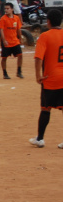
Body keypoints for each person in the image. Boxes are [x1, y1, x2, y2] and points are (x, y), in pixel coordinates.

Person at [29, 9, 63, 148]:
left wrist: (38, 76)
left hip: (51, 79)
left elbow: (38, 58)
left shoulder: (45, 36)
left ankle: (40, 138)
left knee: (45, 108)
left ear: (48, 21)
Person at [0, 2, 23, 79]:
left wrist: (20, 37)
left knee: (20, 55)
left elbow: (18, 29)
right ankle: (5, 73)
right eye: (5, 8)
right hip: (6, 42)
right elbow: (1, 30)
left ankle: (19, 71)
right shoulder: (3, 18)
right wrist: (4, 40)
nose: (6, 10)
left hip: (15, 41)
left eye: (8, 8)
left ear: (12, 9)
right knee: (4, 58)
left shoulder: (16, 18)